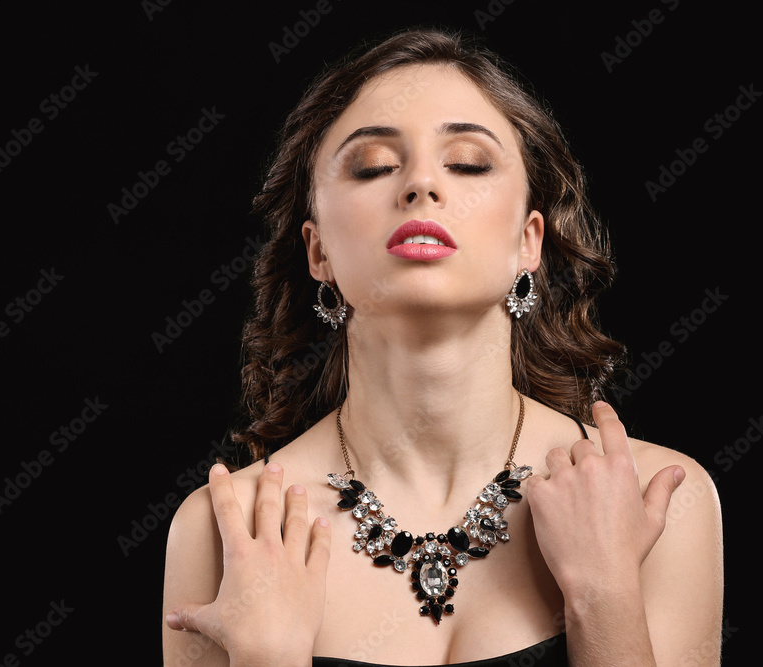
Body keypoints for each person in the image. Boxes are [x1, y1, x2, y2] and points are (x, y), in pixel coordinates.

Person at [162, 28, 723, 667]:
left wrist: (604, 594)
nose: (422, 184)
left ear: (529, 242)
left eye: (468, 163)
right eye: (373, 165)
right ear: (319, 251)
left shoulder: (655, 499)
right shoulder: (228, 531)